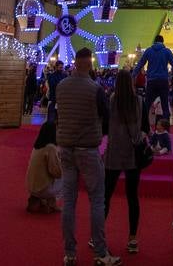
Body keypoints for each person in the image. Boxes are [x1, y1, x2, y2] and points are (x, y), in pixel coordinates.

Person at [55, 47, 119, 266]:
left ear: (74, 62)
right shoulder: (95, 89)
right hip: (88, 150)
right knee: (97, 201)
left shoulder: (61, 87)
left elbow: (58, 113)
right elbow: (107, 118)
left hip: (65, 148)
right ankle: (100, 253)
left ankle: (69, 253)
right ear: (90, 63)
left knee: (69, 202)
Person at [102, 69, 145, 256]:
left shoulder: (112, 100)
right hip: (132, 153)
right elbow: (144, 127)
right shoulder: (139, 101)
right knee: (132, 197)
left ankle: (99, 234)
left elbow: (105, 125)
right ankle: (132, 238)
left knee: (106, 195)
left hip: (114, 152)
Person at [133, 35, 173, 133]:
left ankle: (143, 128)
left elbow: (140, 64)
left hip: (151, 81)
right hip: (163, 81)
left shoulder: (148, 51)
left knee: (147, 106)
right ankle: (166, 130)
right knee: (165, 107)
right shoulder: (166, 51)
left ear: (155, 42)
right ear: (162, 42)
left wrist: (133, 75)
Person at [27, 120, 63, 213]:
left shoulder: (37, 145)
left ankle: (41, 200)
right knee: (68, 175)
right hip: (42, 188)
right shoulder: (51, 148)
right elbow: (55, 171)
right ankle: (50, 201)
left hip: (31, 185)